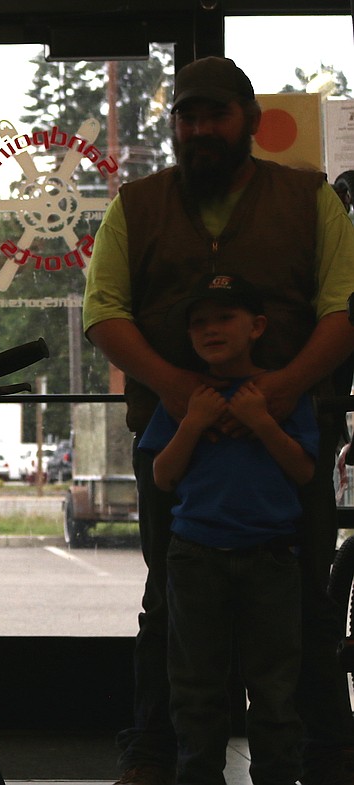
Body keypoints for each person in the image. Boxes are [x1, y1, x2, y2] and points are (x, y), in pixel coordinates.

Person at [82, 55, 354, 785]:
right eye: (186, 118)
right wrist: (177, 390)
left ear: (251, 123)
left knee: (310, 608)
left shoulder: (311, 199)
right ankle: (151, 754)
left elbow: (343, 310)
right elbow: (102, 313)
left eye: (214, 115)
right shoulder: (132, 206)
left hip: (288, 442)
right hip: (176, 442)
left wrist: (282, 390)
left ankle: (327, 759)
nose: (198, 130)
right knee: (167, 605)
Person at [140, 273, 317, 785]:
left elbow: (304, 471)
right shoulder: (187, 397)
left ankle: (278, 775)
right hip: (196, 556)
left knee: (275, 689)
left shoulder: (281, 393)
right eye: (199, 323)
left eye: (224, 318)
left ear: (257, 326)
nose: (210, 330)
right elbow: (163, 475)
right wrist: (193, 422)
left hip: (272, 557)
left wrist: (261, 421)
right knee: (196, 688)